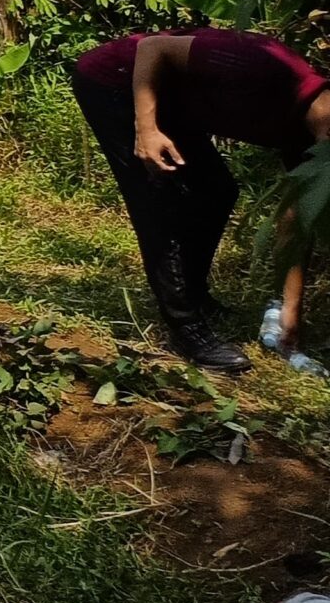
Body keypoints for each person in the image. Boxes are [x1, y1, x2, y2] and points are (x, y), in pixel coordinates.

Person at [72, 28, 330, 371]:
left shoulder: (313, 140)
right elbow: (154, 49)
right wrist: (147, 130)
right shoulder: (267, 69)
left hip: (173, 103)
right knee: (157, 200)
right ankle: (187, 328)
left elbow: (297, 220)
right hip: (115, 81)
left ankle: (193, 293)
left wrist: (291, 307)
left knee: (217, 191)